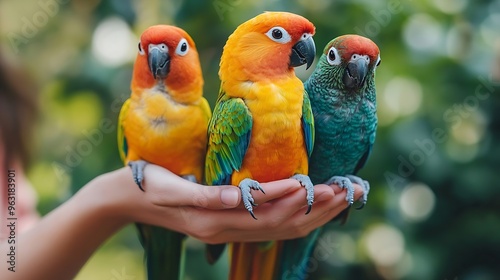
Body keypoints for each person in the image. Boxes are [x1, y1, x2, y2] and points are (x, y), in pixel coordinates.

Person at [0, 54, 363, 280]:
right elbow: (14, 262)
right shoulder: (133, 111)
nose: (21, 194)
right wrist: (117, 195)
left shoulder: (207, 111)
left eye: (15, 171)